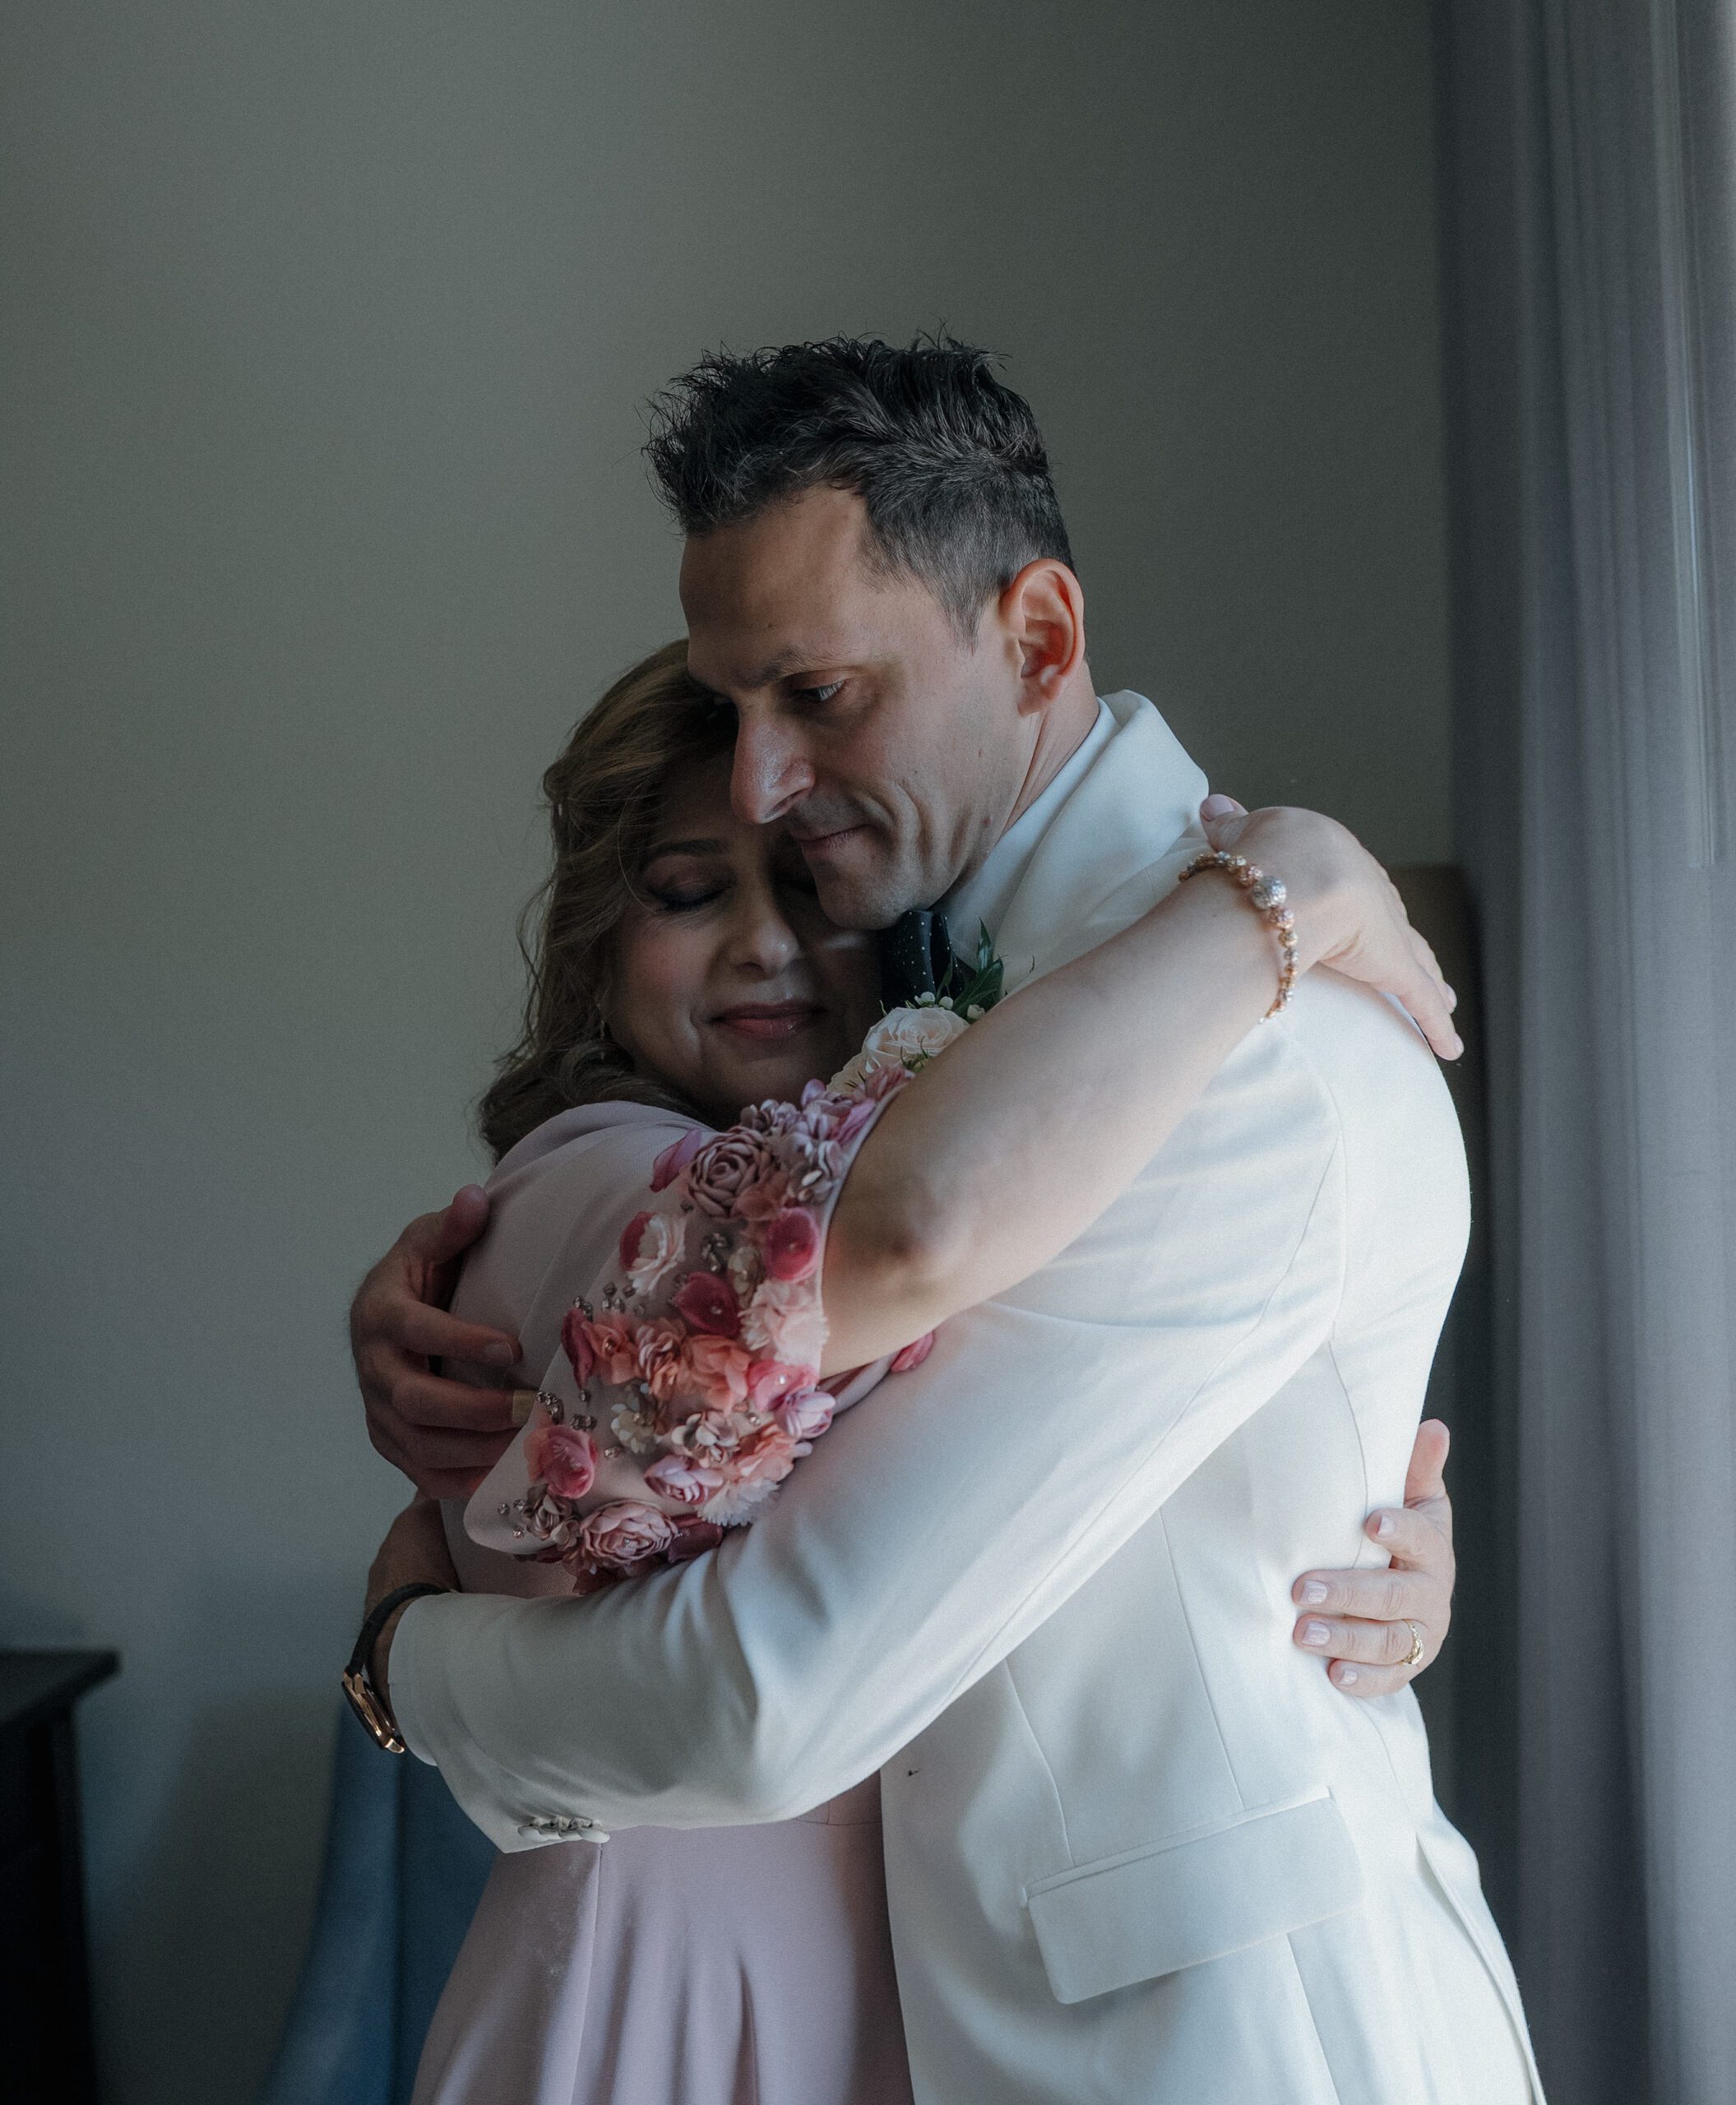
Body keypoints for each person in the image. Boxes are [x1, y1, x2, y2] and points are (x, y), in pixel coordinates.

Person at [353, 337, 1539, 2103]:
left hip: (1216, 2046)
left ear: (1040, 639)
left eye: (819, 695)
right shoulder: (946, 980)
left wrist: (406, 1654)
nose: (759, 781)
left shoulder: (1231, 1050)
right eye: (732, 702)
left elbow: (775, 1687)